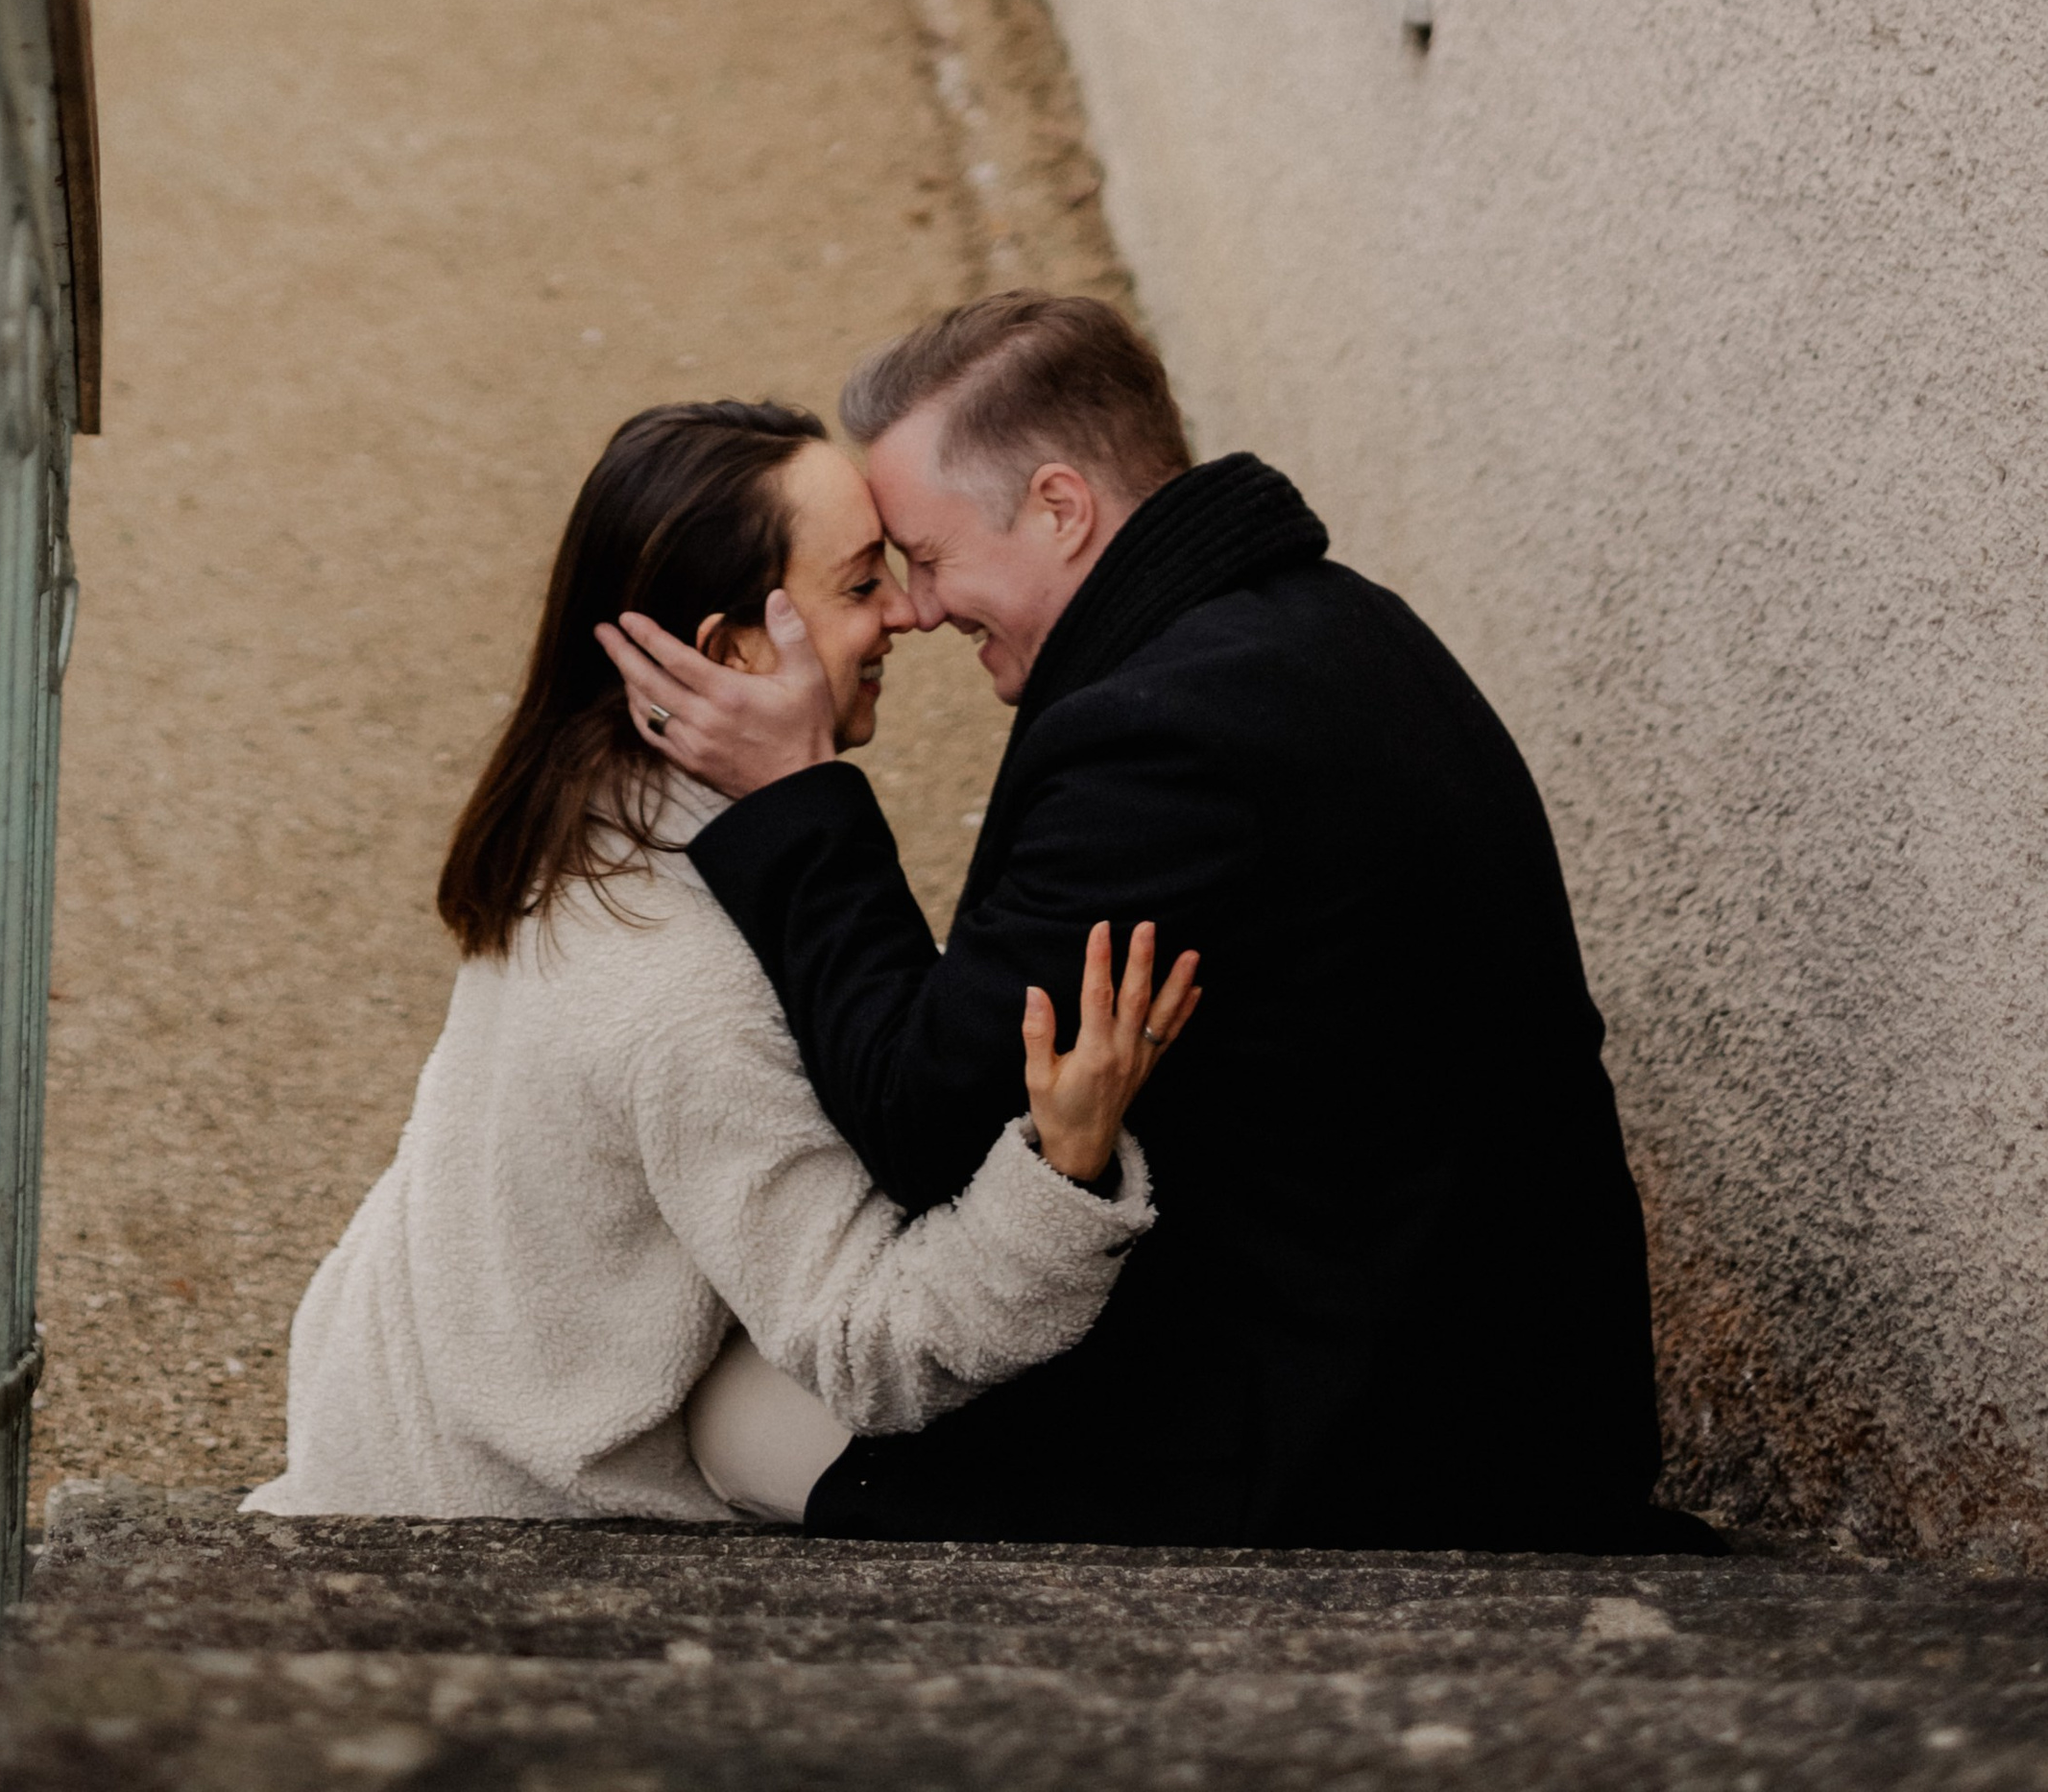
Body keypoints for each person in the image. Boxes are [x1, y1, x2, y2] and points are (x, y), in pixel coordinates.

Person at [600, 292, 1682, 1548]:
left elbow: (926, 1122)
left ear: (1060, 509)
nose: (921, 609)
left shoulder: (1167, 741)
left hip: (1369, 1456)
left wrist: (794, 803)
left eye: (933, 557)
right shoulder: (1325, 628)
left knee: (732, 1415)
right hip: (1475, 1381)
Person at [245, 396, 1196, 1524]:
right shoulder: (682, 990)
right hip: (494, 1521)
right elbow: (871, 1346)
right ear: (726, 653)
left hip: (394, 1412)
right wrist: (1062, 1167)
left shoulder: (595, 820)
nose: (904, 610)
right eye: (857, 584)